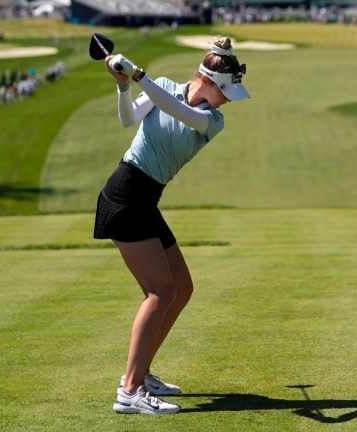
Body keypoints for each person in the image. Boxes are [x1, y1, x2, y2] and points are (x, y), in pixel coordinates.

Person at [94, 36, 249, 415]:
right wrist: (124, 86)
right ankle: (129, 392)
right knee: (161, 291)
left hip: (146, 199)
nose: (230, 99)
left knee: (181, 287)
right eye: (227, 91)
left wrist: (139, 75)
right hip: (125, 194)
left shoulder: (212, 120)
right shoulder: (163, 86)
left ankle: (140, 373)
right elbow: (128, 118)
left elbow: (180, 113)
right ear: (210, 82)